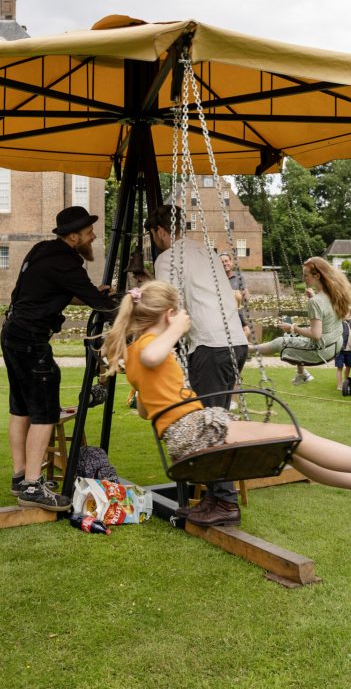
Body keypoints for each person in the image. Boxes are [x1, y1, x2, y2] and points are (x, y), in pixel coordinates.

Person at [102, 281, 351, 519]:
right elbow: (152, 358)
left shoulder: (132, 353)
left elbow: (148, 411)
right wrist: (177, 331)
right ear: (168, 314)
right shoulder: (149, 348)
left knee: (290, 450)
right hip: (197, 435)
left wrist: (172, 396)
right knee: (299, 436)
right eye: (179, 313)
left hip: (185, 439)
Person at [1, 206, 116, 511]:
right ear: (74, 236)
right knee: (45, 412)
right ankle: (32, 486)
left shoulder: (42, 251)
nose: (93, 236)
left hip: (12, 332)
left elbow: (59, 290)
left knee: (21, 406)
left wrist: (92, 293)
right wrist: (128, 305)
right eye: (89, 232)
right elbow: (99, 304)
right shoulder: (67, 262)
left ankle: (20, 476)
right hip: (30, 339)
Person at [146, 205, 248, 526]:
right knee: (213, 417)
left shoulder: (167, 258)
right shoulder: (205, 251)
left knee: (207, 425)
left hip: (211, 345)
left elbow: (167, 305)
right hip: (233, 341)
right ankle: (214, 496)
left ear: (161, 231)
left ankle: (225, 501)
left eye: (154, 234)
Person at [254, 256, 351, 385]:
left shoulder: (316, 301)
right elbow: (340, 315)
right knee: (292, 336)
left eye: (306, 275)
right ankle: (302, 374)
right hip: (335, 345)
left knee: (281, 342)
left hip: (321, 351)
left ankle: (247, 349)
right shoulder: (334, 293)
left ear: (317, 275)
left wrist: (292, 327)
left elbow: (316, 335)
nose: (303, 278)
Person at [219, 251, 250, 337]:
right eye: (222, 262)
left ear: (231, 262)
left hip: (237, 313)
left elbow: (246, 296)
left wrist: (244, 294)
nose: (225, 264)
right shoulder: (217, 279)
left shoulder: (239, 278)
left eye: (226, 261)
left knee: (246, 331)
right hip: (222, 315)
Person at [334, 319, 351, 391]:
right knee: (340, 367)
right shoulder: (339, 322)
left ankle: (345, 382)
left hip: (348, 350)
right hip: (340, 350)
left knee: (349, 365)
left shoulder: (350, 323)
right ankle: (339, 385)